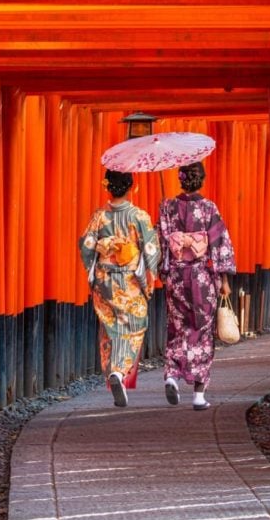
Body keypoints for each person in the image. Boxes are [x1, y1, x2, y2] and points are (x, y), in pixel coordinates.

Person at [158, 161, 236, 410]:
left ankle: (172, 374)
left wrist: (164, 271)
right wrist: (224, 280)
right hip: (202, 278)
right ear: (200, 180)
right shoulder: (208, 208)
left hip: (177, 278)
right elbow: (221, 245)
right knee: (201, 332)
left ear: (181, 179)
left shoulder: (167, 207)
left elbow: (161, 242)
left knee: (177, 327)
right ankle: (199, 395)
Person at [79, 169, 161, 408]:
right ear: (132, 187)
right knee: (135, 326)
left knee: (110, 325)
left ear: (108, 187)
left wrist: (97, 266)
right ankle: (119, 371)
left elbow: (86, 245)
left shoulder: (99, 217)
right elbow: (151, 251)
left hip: (105, 280)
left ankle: (113, 374)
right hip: (130, 281)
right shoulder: (139, 217)